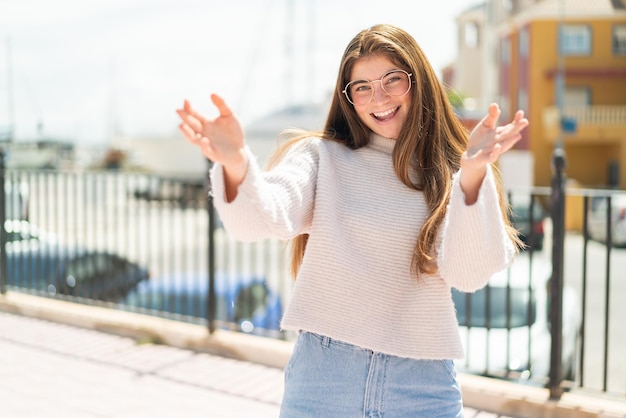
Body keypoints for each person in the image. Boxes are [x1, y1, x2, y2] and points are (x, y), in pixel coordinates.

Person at [176, 23, 528, 418]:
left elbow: (468, 274)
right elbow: (260, 220)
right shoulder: (322, 158)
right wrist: (235, 162)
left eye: (392, 80)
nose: (378, 97)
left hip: (422, 386)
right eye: (361, 87)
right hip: (324, 379)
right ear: (348, 98)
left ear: (419, 82)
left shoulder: (454, 173)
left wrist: (474, 174)